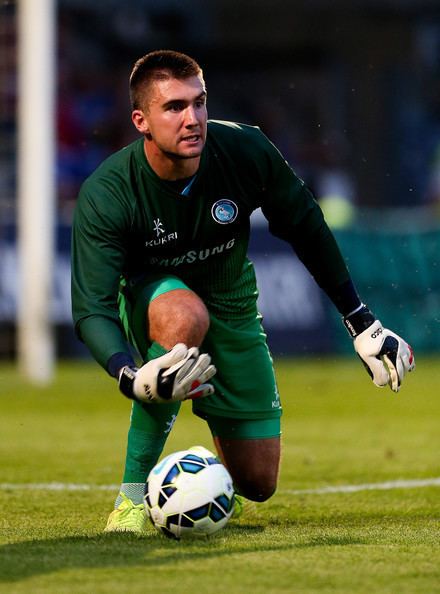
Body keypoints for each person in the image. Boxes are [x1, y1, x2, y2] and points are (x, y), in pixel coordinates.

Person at [71, 50, 415, 534]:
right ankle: (130, 499)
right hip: (155, 297)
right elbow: (91, 307)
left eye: (199, 102)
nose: (192, 119)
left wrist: (360, 320)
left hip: (232, 299)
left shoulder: (246, 151)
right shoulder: (109, 192)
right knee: (183, 315)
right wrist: (129, 375)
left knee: (256, 481)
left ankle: (191, 480)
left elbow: (306, 227)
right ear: (141, 120)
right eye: (173, 107)